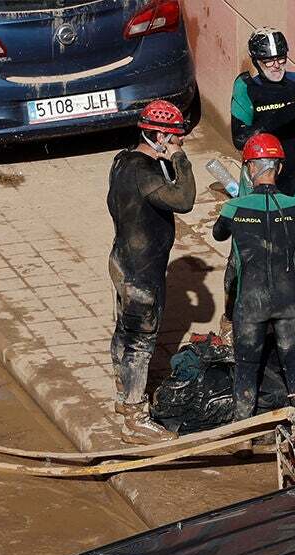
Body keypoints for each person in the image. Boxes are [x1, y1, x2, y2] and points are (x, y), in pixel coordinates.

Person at [105, 100, 195, 443]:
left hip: (121, 258)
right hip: (142, 271)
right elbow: (184, 199)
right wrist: (179, 161)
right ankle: (136, 418)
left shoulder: (122, 161)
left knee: (123, 331)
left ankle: (122, 393)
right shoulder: (146, 172)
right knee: (140, 342)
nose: (181, 142)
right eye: (176, 138)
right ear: (159, 136)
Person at [214, 133, 295, 418]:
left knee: (246, 366)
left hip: (250, 301)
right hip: (289, 299)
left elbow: (218, 234)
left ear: (249, 169)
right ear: (279, 168)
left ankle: (242, 432)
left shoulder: (234, 208)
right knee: (294, 364)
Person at [230, 28, 295, 216]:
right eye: (268, 60)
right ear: (256, 61)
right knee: (252, 237)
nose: (276, 65)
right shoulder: (246, 87)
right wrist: (286, 114)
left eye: (281, 58)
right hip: (256, 176)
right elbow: (240, 138)